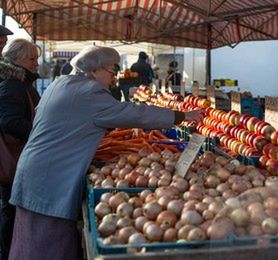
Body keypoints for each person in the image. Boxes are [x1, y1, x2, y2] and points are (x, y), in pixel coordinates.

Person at [8, 46, 204, 259]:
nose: (114, 78)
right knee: (46, 245)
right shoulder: (90, 92)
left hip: (34, 170)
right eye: (112, 71)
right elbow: (133, 114)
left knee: (28, 241)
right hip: (51, 178)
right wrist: (181, 116)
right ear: (94, 70)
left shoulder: (61, 83)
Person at [0, 39, 40, 260]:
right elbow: (10, 122)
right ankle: (8, 254)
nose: (36, 63)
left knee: (13, 208)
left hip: (22, 157)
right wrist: (39, 136)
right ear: (16, 60)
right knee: (12, 209)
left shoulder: (21, 82)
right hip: (16, 157)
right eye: (32, 58)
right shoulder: (13, 85)